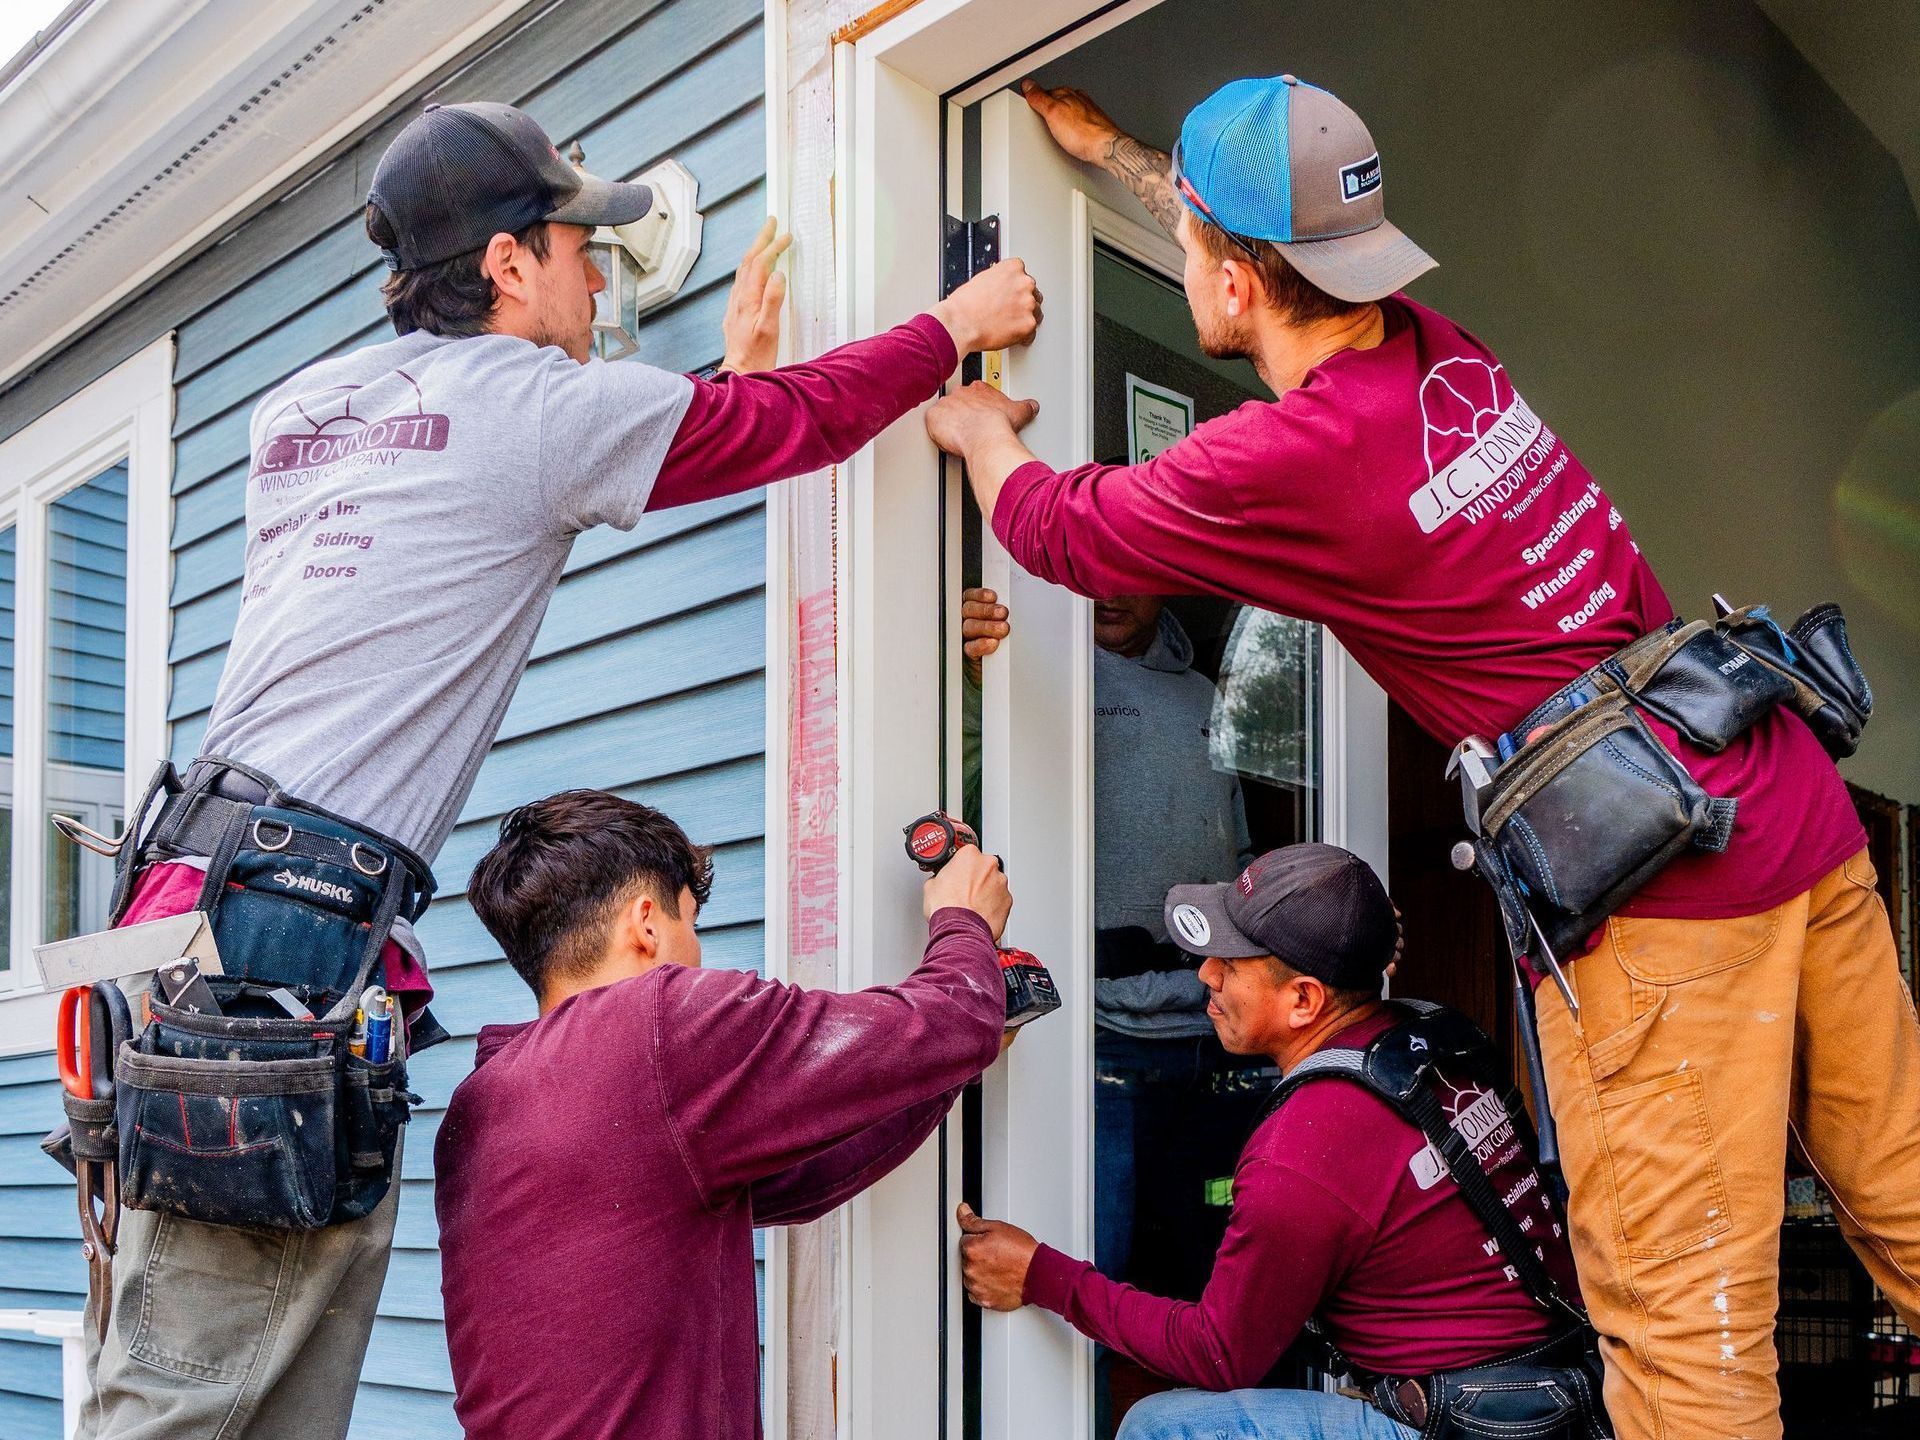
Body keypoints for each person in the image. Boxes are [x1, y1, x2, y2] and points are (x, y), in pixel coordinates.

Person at [923, 71, 1919, 1440]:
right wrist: (1117, 159)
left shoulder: (1299, 452)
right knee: (1907, 1202)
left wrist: (976, 424)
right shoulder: (1433, 346)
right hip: (1781, 794)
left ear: (1226, 280)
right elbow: (1249, 250)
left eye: (1200, 248)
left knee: (1685, 1342)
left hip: (1666, 893)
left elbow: (1062, 533)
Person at [74, 100, 1039, 1440]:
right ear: (514, 264)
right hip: (287, 937)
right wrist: (954, 323)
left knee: (238, 1389)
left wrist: (688, 390)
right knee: (201, 1406)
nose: (602, 274)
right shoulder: (538, 415)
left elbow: (515, 452)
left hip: (192, 909)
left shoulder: (303, 410)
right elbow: (781, 422)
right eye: (587, 248)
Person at [957, 843, 1605, 1439]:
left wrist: (1040, 1274)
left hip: (1471, 1423)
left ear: (1303, 999)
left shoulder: (1310, 1142)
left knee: (1164, 1429)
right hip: (1547, 1391)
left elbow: (1219, 1352)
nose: (1204, 975)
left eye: (1231, 963)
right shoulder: (1432, 1037)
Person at [436, 790, 1012, 1439]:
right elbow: (953, 1019)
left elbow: (799, 1181)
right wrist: (964, 918)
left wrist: (944, 1069)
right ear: (647, 924)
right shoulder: (657, 1028)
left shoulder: (489, 1094)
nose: (697, 950)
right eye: (692, 923)